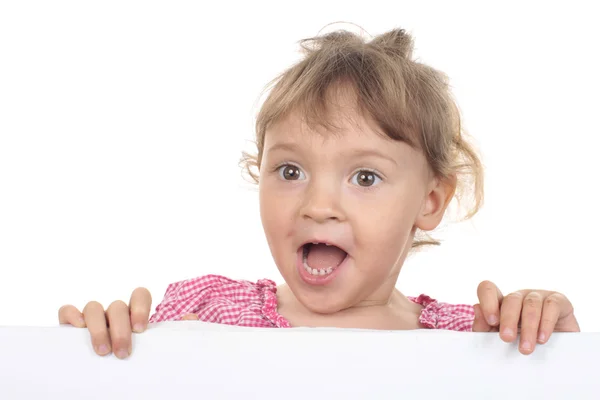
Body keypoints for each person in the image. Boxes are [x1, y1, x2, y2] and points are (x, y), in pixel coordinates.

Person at [58, 26, 580, 360]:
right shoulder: (206, 312)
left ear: (431, 202)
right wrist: (101, 350)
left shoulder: (477, 339)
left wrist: (552, 344)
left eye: (365, 177)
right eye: (289, 171)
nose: (318, 206)